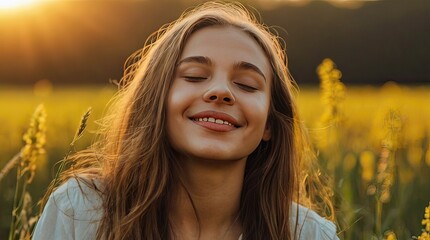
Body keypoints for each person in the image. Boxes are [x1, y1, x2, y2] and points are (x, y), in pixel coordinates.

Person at [32, 1, 339, 239]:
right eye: (194, 76)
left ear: (270, 124)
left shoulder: (309, 235)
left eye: (246, 84)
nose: (220, 91)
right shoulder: (79, 212)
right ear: (156, 101)